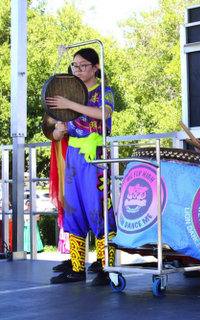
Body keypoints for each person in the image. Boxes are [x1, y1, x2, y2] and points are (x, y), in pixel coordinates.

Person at [47, 48, 117, 286]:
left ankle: (107, 266)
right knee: (73, 209)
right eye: (75, 66)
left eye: (83, 65)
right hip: (74, 155)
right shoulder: (69, 93)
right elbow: (56, 130)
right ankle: (78, 268)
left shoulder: (104, 91)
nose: (77, 70)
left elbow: (102, 114)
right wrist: (58, 130)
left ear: (96, 67)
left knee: (99, 209)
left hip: (96, 155)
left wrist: (70, 104)